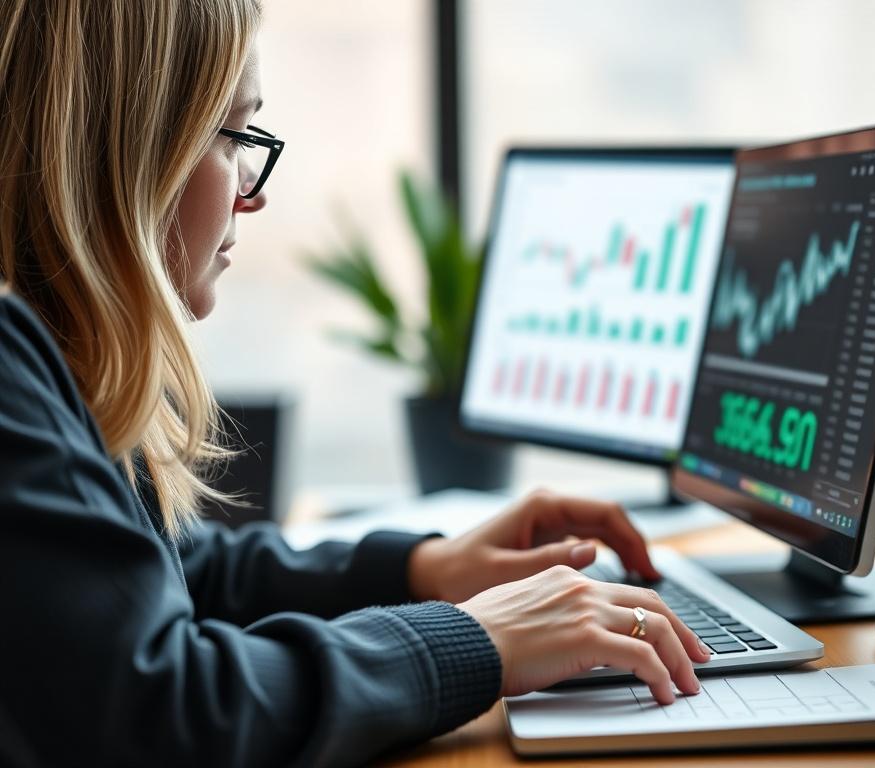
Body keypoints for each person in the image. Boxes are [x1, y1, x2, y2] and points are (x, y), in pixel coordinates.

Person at [0, 1, 709, 765]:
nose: (252, 189)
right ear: (129, 149)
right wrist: (478, 639)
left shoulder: (56, 359)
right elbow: (166, 710)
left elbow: (179, 571)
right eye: (234, 134)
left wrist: (424, 569)